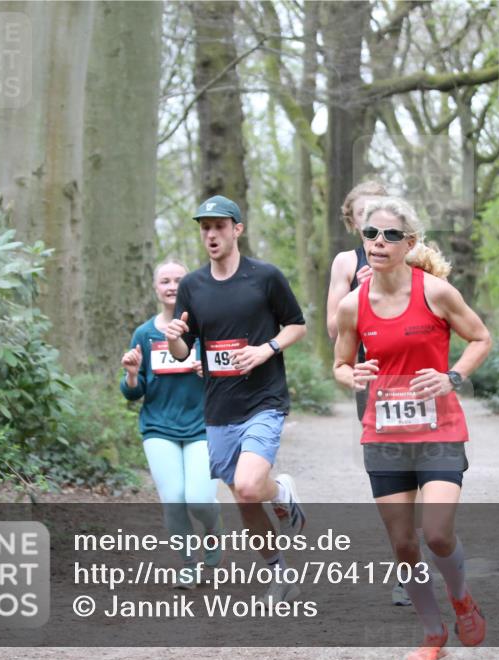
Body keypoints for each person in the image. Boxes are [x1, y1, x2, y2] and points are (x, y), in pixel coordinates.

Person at [333, 197, 493, 660]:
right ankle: (432, 634)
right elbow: (340, 365)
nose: (378, 243)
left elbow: (481, 338)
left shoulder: (436, 292)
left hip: (438, 427)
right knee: (404, 545)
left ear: (410, 243)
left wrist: (452, 377)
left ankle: (461, 597)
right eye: (370, 235)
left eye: (390, 236)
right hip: (383, 438)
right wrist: (352, 376)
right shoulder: (351, 305)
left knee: (438, 534)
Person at [164, 195, 308, 604]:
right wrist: (175, 339)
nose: (211, 234)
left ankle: (276, 492)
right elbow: (184, 351)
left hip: (264, 400)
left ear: (237, 230)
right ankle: (280, 571)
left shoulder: (265, 277)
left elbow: (297, 326)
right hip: (219, 407)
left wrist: (266, 349)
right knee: (243, 497)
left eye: (219, 226)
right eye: (205, 227)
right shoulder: (192, 285)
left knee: (247, 488)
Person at [326, 180, 413, 608]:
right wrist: (359, 293)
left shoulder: (409, 252)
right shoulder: (345, 262)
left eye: (381, 214)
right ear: (352, 222)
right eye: (364, 217)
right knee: (389, 474)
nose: (374, 227)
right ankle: (406, 564)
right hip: (373, 378)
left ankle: (424, 549)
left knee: (424, 467)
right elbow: (332, 331)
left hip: (416, 374)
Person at [120, 259, 223, 589]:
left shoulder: (205, 328)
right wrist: (132, 374)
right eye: (165, 280)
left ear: (189, 285)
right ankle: (188, 564)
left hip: (202, 425)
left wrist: (210, 373)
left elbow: (229, 376)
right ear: (155, 288)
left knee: (198, 498)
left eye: (179, 280)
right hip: (158, 427)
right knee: (174, 499)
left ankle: (212, 526)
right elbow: (133, 393)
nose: (172, 286)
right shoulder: (145, 333)